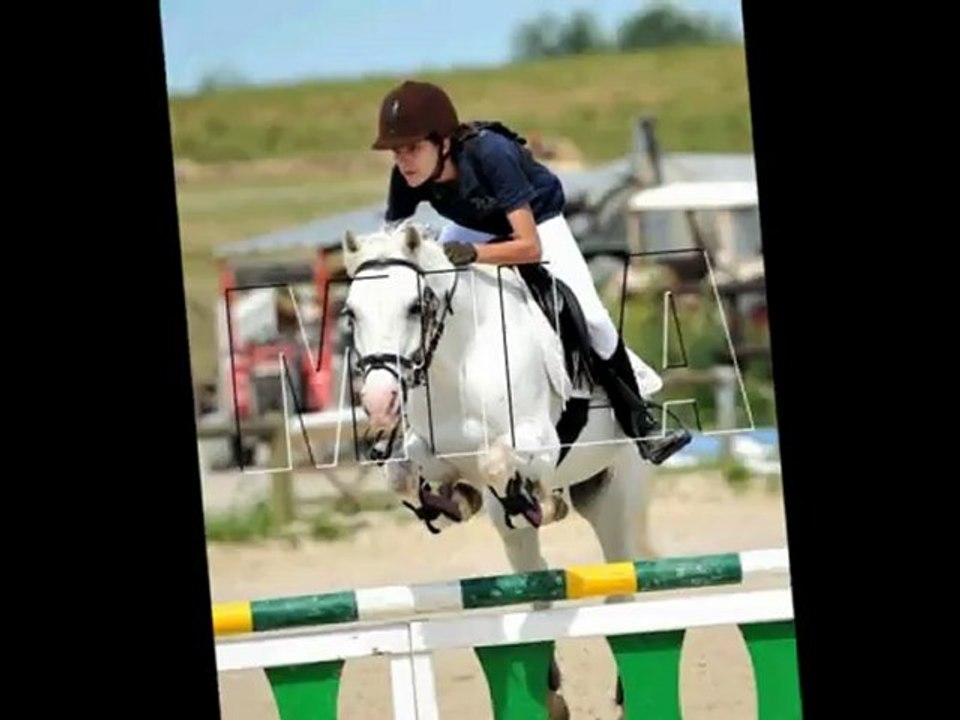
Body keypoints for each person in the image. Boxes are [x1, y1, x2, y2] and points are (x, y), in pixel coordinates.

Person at [370, 79, 691, 465]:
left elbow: (528, 247)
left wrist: (473, 253)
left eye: (413, 148)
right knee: (430, 303)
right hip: (474, 227)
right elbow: (389, 250)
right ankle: (407, 424)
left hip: (538, 223)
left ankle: (642, 422)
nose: (404, 160)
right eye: (396, 151)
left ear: (443, 143)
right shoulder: (404, 178)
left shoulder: (492, 154)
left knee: (592, 317)